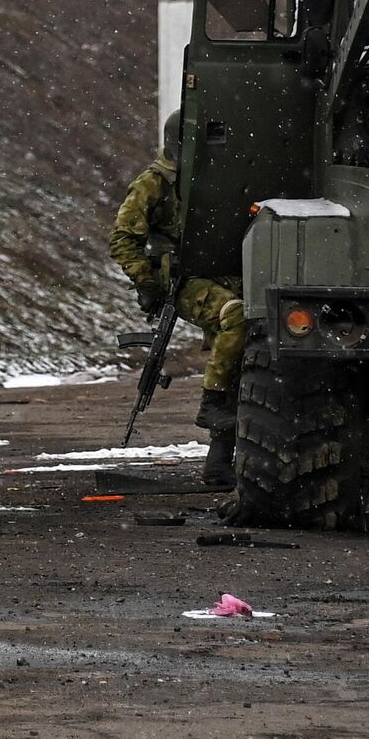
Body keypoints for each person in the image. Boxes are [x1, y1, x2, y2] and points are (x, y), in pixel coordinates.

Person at [108, 111, 246, 486]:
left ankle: (219, 466)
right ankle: (211, 405)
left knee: (236, 354)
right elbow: (122, 238)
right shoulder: (155, 183)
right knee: (236, 317)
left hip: (223, 274)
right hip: (181, 278)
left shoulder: (216, 178)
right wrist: (146, 282)